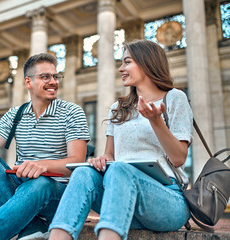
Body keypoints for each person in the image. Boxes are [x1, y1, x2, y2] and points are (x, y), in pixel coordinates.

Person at [48, 40, 193, 240]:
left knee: (120, 168)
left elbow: (179, 158)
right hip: (121, 200)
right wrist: (101, 160)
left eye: (127, 62)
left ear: (146, 63)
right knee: (83, 172)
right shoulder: (119, 107)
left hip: (167, 200)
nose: (121, 68)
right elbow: (110, 155)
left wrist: (155, 121)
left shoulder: (175, 98)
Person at [0, 53, 90, 240]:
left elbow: (77, 163)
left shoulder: (72, 112)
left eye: (55, 76)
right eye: (45, 77)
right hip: (21, 186)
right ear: (28, 82)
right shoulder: (15, 114)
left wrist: (42, 165)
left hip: (58, 193)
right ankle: (34, 225)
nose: (53, 81)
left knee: (39, 184)